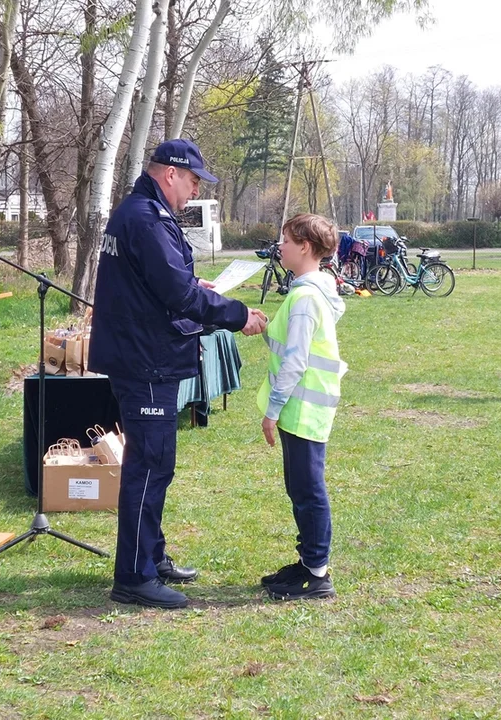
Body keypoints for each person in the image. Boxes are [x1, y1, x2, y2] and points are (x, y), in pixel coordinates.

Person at [88, 139, 266, 609]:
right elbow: (177, 296)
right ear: (170, 174)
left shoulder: (142, 211)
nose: (193, 191)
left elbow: (163, 284)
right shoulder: (145, 218)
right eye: (191, 181)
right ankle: (134, 576)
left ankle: (151, 556)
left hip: (144, 352)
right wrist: (236, 313)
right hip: (145, 358)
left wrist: (193, 286)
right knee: (149, 466)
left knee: (155, 465)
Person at [257, 213, 347, 601]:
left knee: (308, 490)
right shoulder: (306, 291)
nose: (281, 246)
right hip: (302, 408)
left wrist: (272, 411)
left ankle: (318, 573)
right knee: (299, 488)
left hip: (302, 408)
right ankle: (308, 563)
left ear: (305, 247)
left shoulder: (307, 297)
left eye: (286, 241)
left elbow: (295, 361)